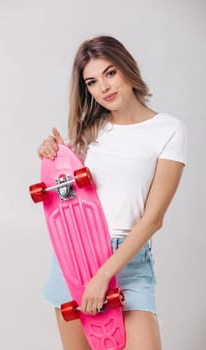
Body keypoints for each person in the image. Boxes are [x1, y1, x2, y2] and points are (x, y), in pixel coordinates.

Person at [38, 35, 187, 350]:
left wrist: (103, 276)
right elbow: (70, 196)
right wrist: (55, 154)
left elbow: (153, 219)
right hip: (74, 257)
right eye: (92, 81)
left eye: (110, 73)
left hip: (127, 260)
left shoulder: (168, 129)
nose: (103, 87)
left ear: (126, 68)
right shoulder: (91, 131)